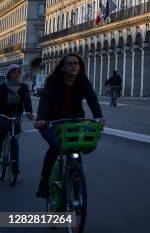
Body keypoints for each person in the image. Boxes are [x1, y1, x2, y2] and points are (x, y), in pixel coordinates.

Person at [34, 53, 103, 198]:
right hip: (52, 121)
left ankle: (76, 178)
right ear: (63, 68)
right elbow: (45, 100)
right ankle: (44, 181)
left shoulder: (82, 79)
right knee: (56, 147)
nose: (74, 66)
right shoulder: (54, 80)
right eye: (70, 64)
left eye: (76, 63)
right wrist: (40, 119)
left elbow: (92, 98)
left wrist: (98, 117)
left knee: (76, 149)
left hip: (74, 120)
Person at [0, 65, 33, 177]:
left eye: (18, 72)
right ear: (9, 74)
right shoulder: (3, 87)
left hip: (16, 115)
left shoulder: (23, 87)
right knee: (1, 132)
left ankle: (15, 167)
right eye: (14, 72)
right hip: (3, 114)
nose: (16, 74)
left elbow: (27, 100)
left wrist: (29, 112)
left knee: (14, 141)